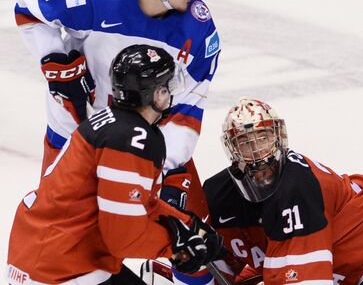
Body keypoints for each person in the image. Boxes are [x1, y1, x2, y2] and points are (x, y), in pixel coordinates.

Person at [14, 0, 220, 222]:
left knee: (192, 237)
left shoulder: (197, 29)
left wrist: (164, 168)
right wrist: (55, 60)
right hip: (73, 137)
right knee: (63, 233)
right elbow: (28, 6)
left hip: (145, 146)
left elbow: (189, 105)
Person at [7, 45, 223, 285]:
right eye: (166, 87)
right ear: (154, 94)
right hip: (59, 271)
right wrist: (175, 247)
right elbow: (123, 238)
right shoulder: (131, 140)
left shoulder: (117, 124)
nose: (170, 95)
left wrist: (187, 224)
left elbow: (140, 203)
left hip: (53, 253)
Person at [201, 98, 363, 285]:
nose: (256, 151)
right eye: (245, 142)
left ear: (278, 137)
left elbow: (305, 279)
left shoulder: (297, 190)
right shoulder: (220, 192)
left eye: (262, 138)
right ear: (232, 149)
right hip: (348, 256)